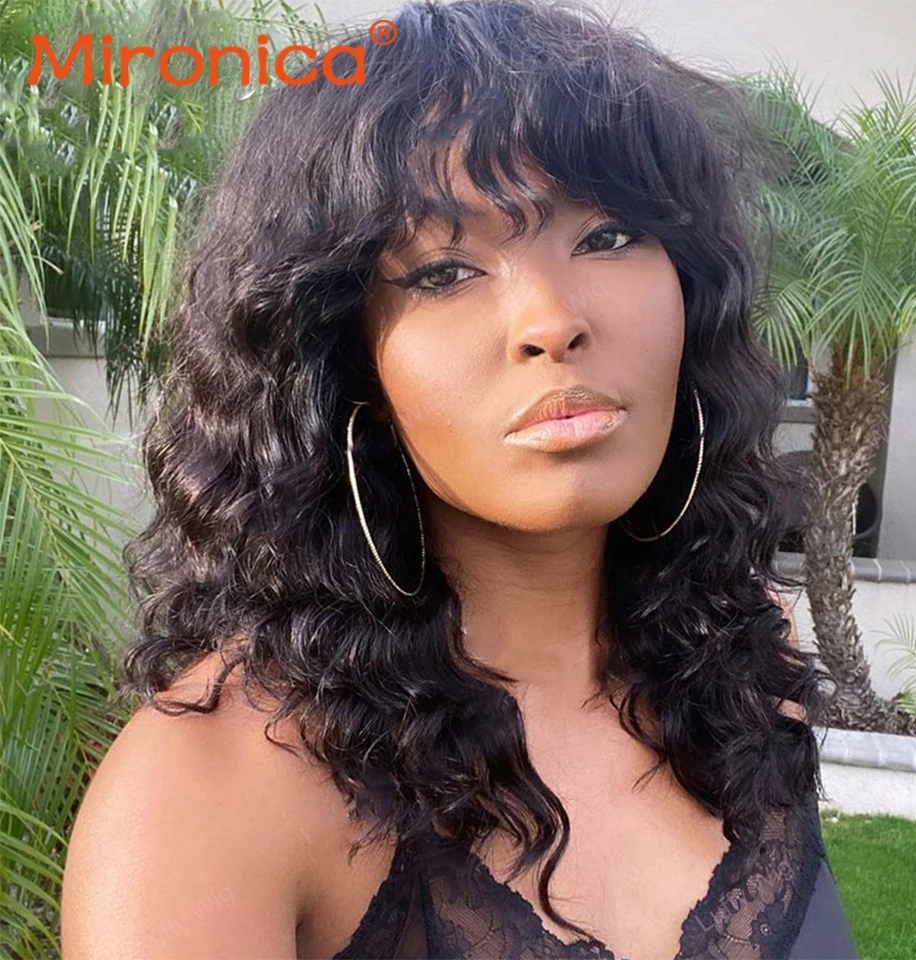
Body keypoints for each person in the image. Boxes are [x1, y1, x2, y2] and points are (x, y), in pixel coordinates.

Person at [61, 0, 860, 957]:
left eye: (608, 235)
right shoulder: (208, 797)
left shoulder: (743, 671)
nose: (552, 320)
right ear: (345, 361)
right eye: (443, 272)